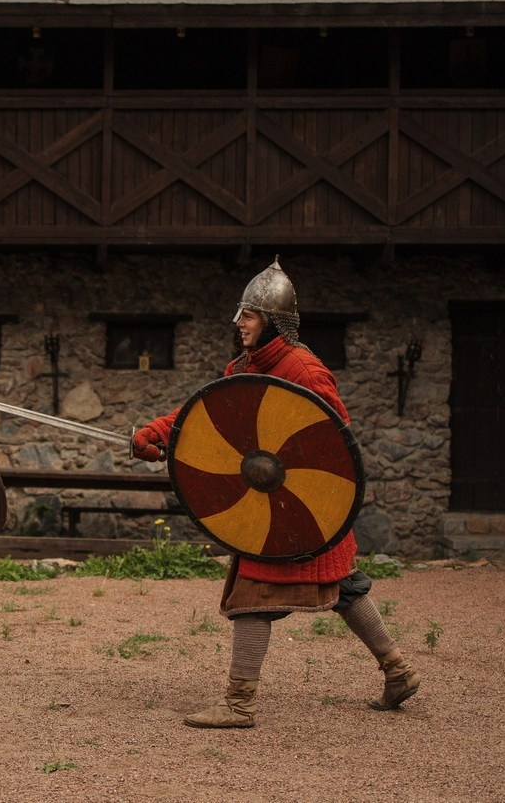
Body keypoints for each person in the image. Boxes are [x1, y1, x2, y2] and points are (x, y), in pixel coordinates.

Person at [132, 258, 420, 728]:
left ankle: (239, 703)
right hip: (277, 505)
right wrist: (160, 433)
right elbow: (212, 415)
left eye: (248, 315)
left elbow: (334, 441)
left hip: (299, 509)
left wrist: (308, 496)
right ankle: (398, 671)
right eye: (240, 314)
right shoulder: (245, 367)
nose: (239, 323)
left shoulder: (303, 370)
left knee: (253, 595)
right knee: (345, 587)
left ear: (272, 321)